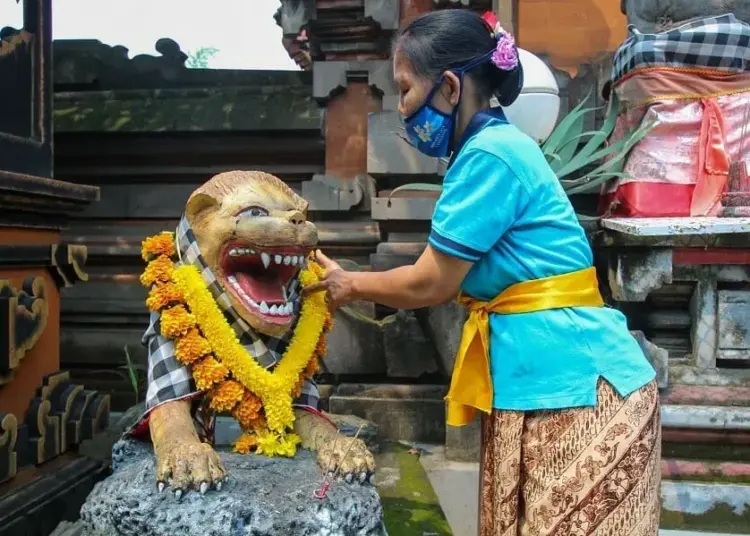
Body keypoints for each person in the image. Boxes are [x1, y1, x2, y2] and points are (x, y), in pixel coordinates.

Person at [305, 9, 661, 536]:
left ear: (449, 87)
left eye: (404, 90)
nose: (401, 108)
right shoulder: (492, 150)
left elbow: (433, 281)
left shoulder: (489, 156)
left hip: (579, 389)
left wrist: (347, 285)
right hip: (544, 385)